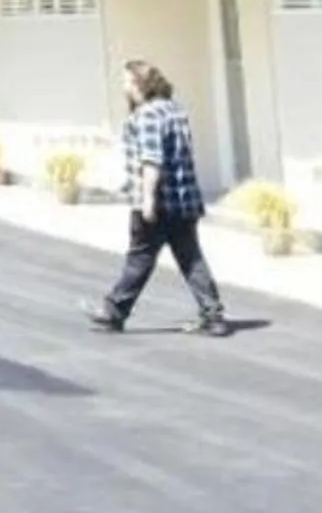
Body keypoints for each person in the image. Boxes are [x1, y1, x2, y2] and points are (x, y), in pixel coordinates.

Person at [88, 60, 229, 337]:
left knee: (140, 258)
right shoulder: (174, 110)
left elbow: (151, 160)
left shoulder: (148, 116)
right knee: (190, 258)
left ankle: (113, 312)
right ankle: (213, 316)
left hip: (159, 201)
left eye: (126, 81)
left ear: (139, 84)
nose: (123, 87)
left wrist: (148, 200)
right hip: (184, 201)